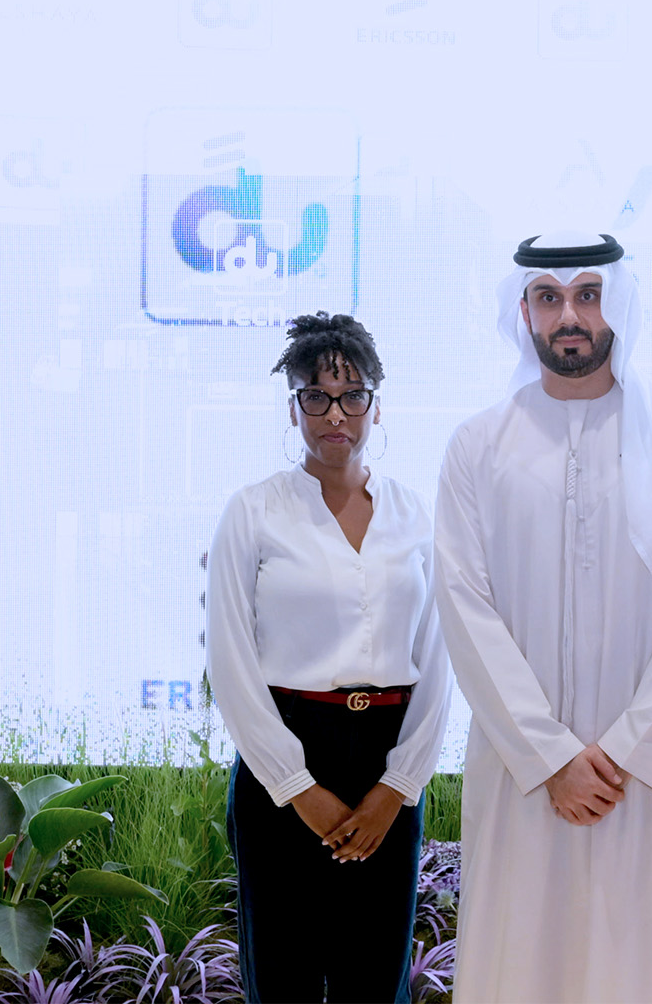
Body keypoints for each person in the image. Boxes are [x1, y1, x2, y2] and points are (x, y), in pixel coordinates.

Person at [434, 231, 652, 1002]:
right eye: (549, 297)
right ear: (524, 312)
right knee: (522, 969)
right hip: (522, 776)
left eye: (588, 294)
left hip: (649, 780)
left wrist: (628, 751)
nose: (570, 314)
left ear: (617, 304)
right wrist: (551, 758)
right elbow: (466, 610)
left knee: (650, 972)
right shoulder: (477, 447)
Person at [205, 312, 451, 1003]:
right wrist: (296, 787)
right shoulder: (252, 513)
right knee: (280, 976)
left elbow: (439, 659)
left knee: (374, 981)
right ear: (294, 406)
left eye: (351, 395)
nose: (333, 413)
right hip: (283, 753)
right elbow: (230, 663)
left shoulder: (415, 514)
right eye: (316, 396)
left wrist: (398, 787)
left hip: (387, 757)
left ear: (376, 404)